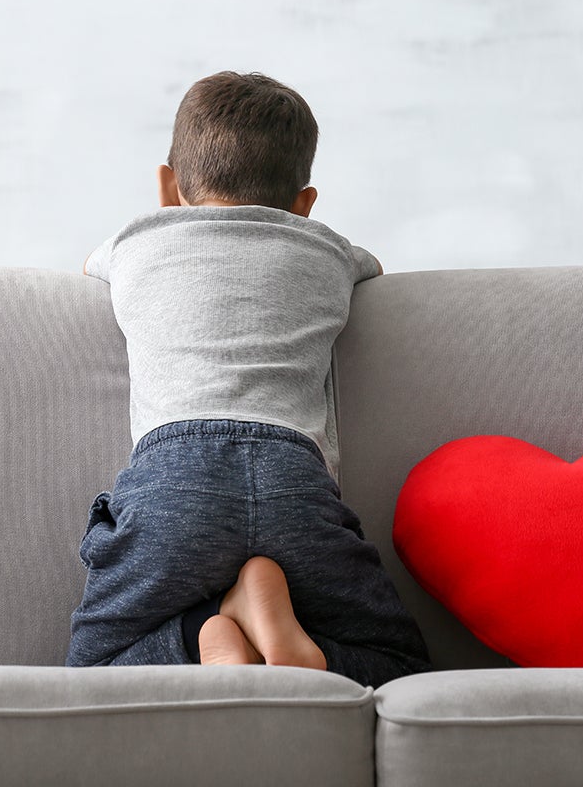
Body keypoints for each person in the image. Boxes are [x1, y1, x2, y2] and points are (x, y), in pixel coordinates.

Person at [66, 71, 430, 687]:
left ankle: (204, 632)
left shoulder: (135, 242)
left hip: (174, 479)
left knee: (90, 673)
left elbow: (86, 267)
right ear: (305, 204)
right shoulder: (328, 249)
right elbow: (374, 268)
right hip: (294, 479)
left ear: (168, 187)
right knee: (401, 666)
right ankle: (290, 641)